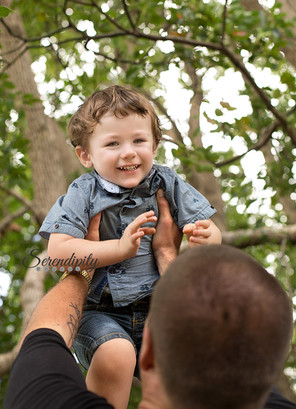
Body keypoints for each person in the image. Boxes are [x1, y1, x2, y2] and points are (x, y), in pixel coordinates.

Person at [4, 191, 296, 409]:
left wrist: (84, 267)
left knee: (114, 353)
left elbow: (44, 335)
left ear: (148, 353)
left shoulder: (48, 399)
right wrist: (166, 253)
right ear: (267, 370)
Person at [38, 85, 222, 408]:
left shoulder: (166, 182)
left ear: (155, 144)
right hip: (99, 311)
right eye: (113, 143)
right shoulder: (84, 192)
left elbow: (212, 234)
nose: (129, 152)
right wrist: (120, 249)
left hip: (157, 306)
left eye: (139, 140)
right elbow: (57, 251)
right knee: (116, 354)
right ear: (85, 155)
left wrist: (206, 237)